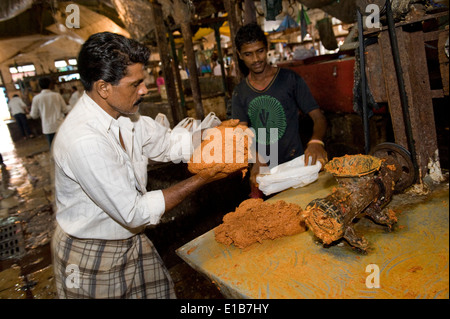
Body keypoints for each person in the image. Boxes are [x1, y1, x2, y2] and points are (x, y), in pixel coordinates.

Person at [50, 31, 241, 299]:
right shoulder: (84, 141)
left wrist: (222, 137)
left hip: (132, 239)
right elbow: (134, 212)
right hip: (93, 252)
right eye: (135, 84)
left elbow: (170, 144)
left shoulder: (126, 117)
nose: (145, 90)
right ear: (104, 88)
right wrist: (204, 177)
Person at [231, 23, 328, 198]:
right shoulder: (240, 92)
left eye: (260, 51)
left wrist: (316, 142)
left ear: (267, 48)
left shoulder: (290, 79)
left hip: (296, 165)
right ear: (240, 55)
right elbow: (242, 132)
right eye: (248, 54)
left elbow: (318, 117)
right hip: (263, 172)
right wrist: (256, 159)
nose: (256, 59)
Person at [30, 77, 68, 147]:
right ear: (50, 85)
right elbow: (65, 110)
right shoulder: (57, 95)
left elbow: (33, 115)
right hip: (59, 125)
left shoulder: (36, 98)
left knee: (53, 149)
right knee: (65, 147)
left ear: (39, 86)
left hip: (48, 128)